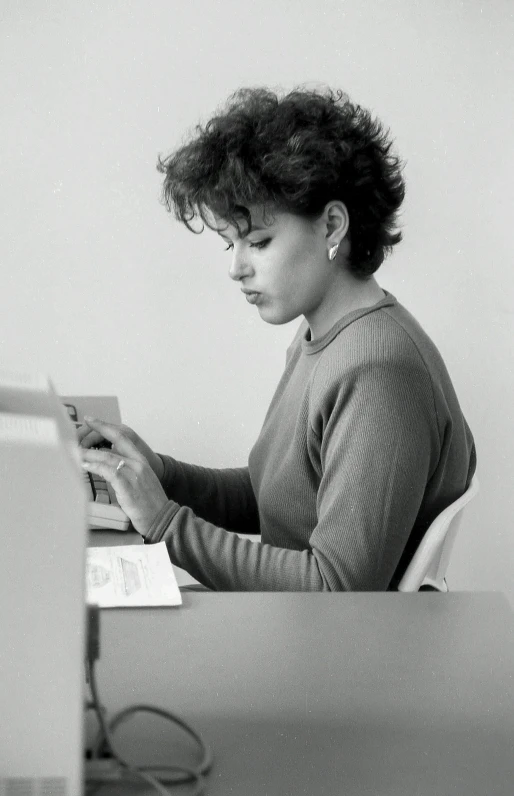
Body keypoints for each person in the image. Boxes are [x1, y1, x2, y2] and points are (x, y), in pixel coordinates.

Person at [79, 86, 476, 591]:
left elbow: (336, 588)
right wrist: (161, 475)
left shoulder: (378, 369)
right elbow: (273, 495)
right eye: (231, 243)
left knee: (90, 628)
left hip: (321, 649)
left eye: (258, 242)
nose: (235, 268)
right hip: (295, 626)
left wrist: (165, 524)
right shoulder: (323, 333)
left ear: (332, 225)